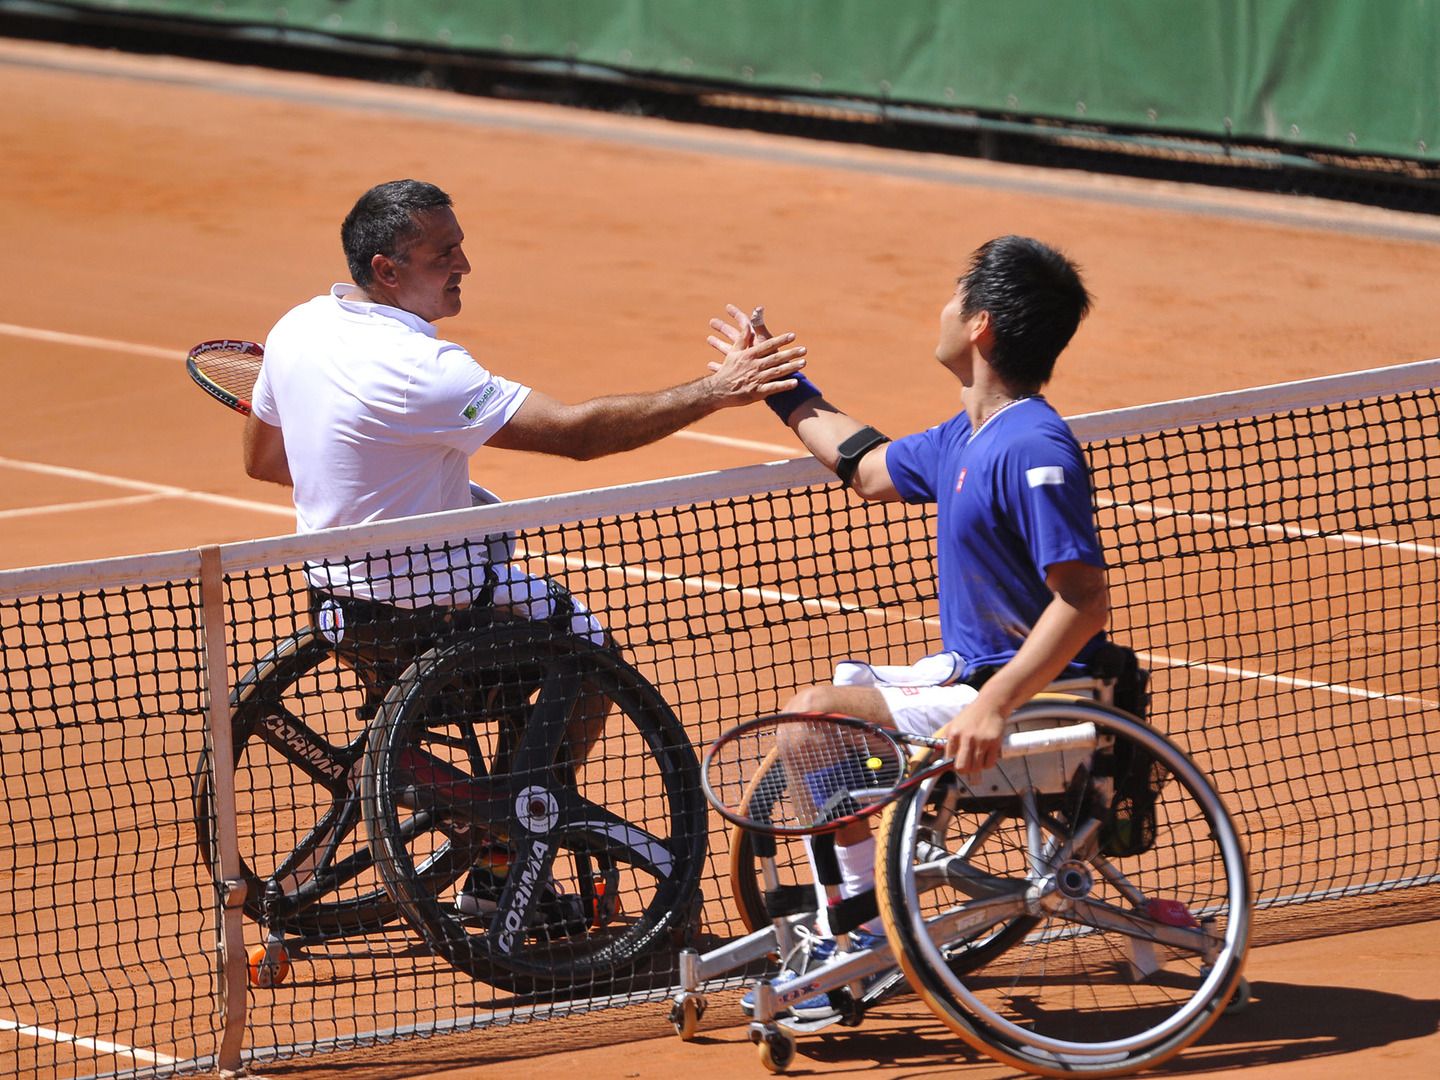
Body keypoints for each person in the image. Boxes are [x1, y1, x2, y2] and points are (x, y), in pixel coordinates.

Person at [243, 177, 808, 925]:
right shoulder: (423, 371)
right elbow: (574, 434)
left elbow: (265, 462)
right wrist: (716, 388)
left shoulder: (296, 330)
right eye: (444, 254)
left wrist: (366, 463)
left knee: (497, 546)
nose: (464, 266)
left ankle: (486, 838)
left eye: (461, 246)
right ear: (387, 270)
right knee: (585, 641)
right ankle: (507, 843)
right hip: (434, 613)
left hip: (341, 608)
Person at [709, 235, 1108, 1020]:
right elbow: (865, 465)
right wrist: (778, 383)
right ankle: (865, 905)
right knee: (825, 713)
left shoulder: (1033, 447)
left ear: (981, 326)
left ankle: (862, 928)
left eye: (957, 296)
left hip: (1036, 698)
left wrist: (994, 704)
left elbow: (1084, 600)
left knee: (812, 720)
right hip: (972, 673)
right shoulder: (971, 434)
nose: (944, 308)